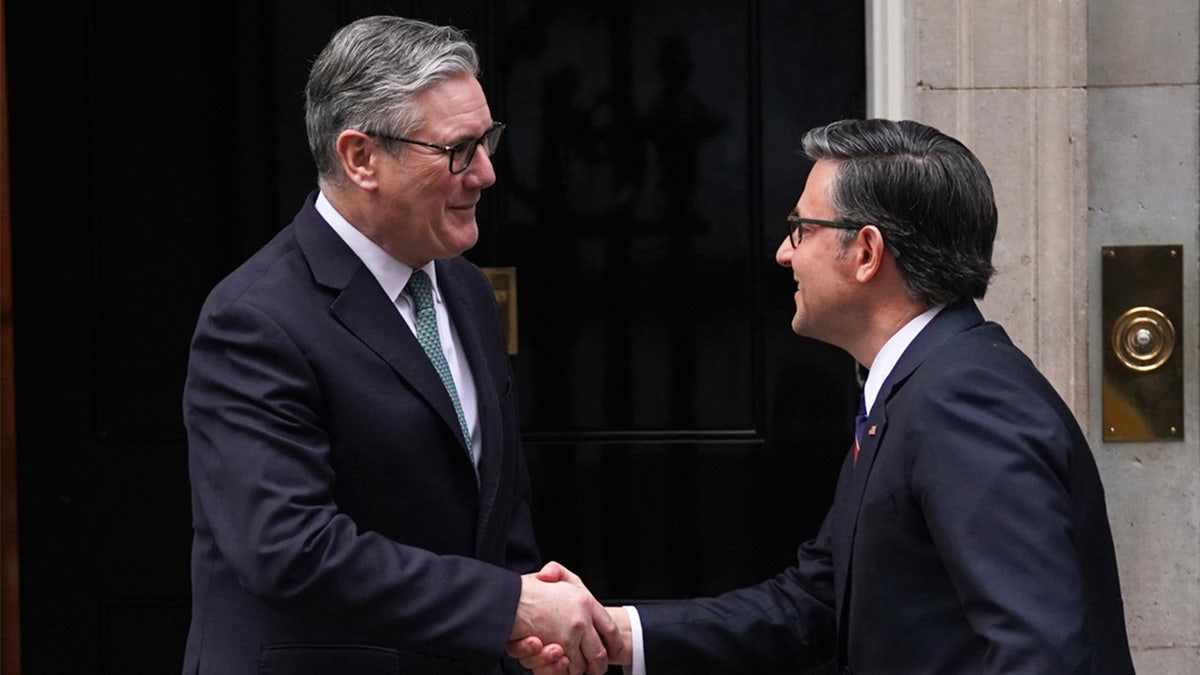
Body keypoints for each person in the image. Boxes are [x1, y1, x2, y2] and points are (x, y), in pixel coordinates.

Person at [512, 118, 1135, 674]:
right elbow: (813, 603)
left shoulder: (964, 401)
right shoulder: (918, 386)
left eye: (801, 228)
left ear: (866, 252)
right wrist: (616, 632)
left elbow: (1041, 651)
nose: (784, 253)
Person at [182, 15, 619, 675]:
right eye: (458, 150)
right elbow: (290, 548)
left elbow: (495, 511)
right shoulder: (255, 320)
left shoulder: (465, 290)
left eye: (487, 140)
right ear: (361, 158)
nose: (487, 174)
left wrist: (533, 632)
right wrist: (509, 605)